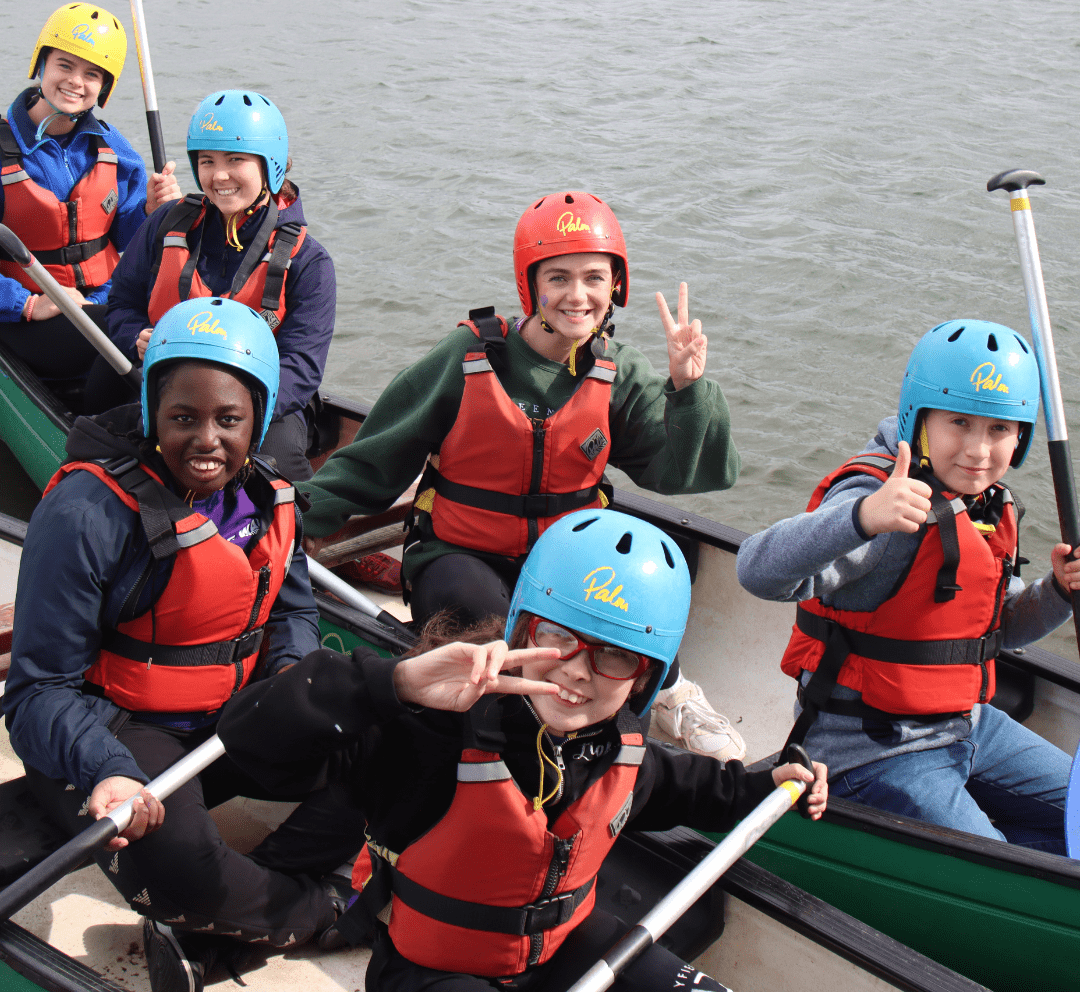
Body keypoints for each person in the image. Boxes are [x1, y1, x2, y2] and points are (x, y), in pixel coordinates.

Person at [217, 508, 828, 991]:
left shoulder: (622, 749)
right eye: (558, 636)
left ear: (646, 676)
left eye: (615, 655)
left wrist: (776, 782)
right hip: (434, 971)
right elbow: (249, 735)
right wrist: (392, 684)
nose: (579, 672)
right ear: (523, 629)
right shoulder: (428, 734)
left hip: (567, 949)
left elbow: (700, 790)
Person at [301, 190, 746, 759]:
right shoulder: (470, 354)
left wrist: (688, 390)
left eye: (594, 277)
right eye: (557, 277)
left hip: (567, 554)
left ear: (617, 286)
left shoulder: (620, 369)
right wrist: (294, 511)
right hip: (460, 552)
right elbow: (378, 456)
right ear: (530, 285)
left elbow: (681, 473)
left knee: (622, 615)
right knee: (492, 642)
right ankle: (515, 749)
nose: (577, 295)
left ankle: (671, 691)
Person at [4, 297, 360, 992]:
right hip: (120, 733)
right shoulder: (85, 513)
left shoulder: (269, 496)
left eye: (229, 420)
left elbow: (290, 613)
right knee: (180, 864)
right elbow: (38, 692)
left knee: (384, 743)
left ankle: (227, 920)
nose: (207, 441)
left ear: (257, 419)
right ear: (149, 412)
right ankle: (317, 908)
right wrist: (109, 768)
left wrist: (291, 682)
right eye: (182, 418)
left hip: (232, 720)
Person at [736, 319, 1080, 854]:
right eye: (959, 422)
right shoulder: (881, 501)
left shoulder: (983, 501)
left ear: (1022, 436)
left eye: (999, 430)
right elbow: (757, 570)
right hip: (873, 750)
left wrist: (1056, 591)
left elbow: (992, 630)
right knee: (1012, 864)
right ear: (918, 418)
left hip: (967, 725)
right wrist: (862, 518)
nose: (978, 450)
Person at [102, 89, 337, 480]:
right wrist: (137, 337)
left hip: (260, 407)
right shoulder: (165, 225)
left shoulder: (310, 263)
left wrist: (232, 417)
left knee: (279, 478)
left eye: (235, 160)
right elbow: (122, 303)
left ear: (271, 165)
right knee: (98, 447)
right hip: (165, 392)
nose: (219, 176)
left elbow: (301, 368)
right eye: (207, 161)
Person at [0, 2, 180, 388]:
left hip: (103, 302)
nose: (76, 82)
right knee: (136, 343)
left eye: (92, 74)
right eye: (65, 65)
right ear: (41, 64)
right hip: (26, 317)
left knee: (178, 326)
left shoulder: (111, 146)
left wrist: (151, 210)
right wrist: (28, 304)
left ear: (105, 87)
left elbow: (129, 241)